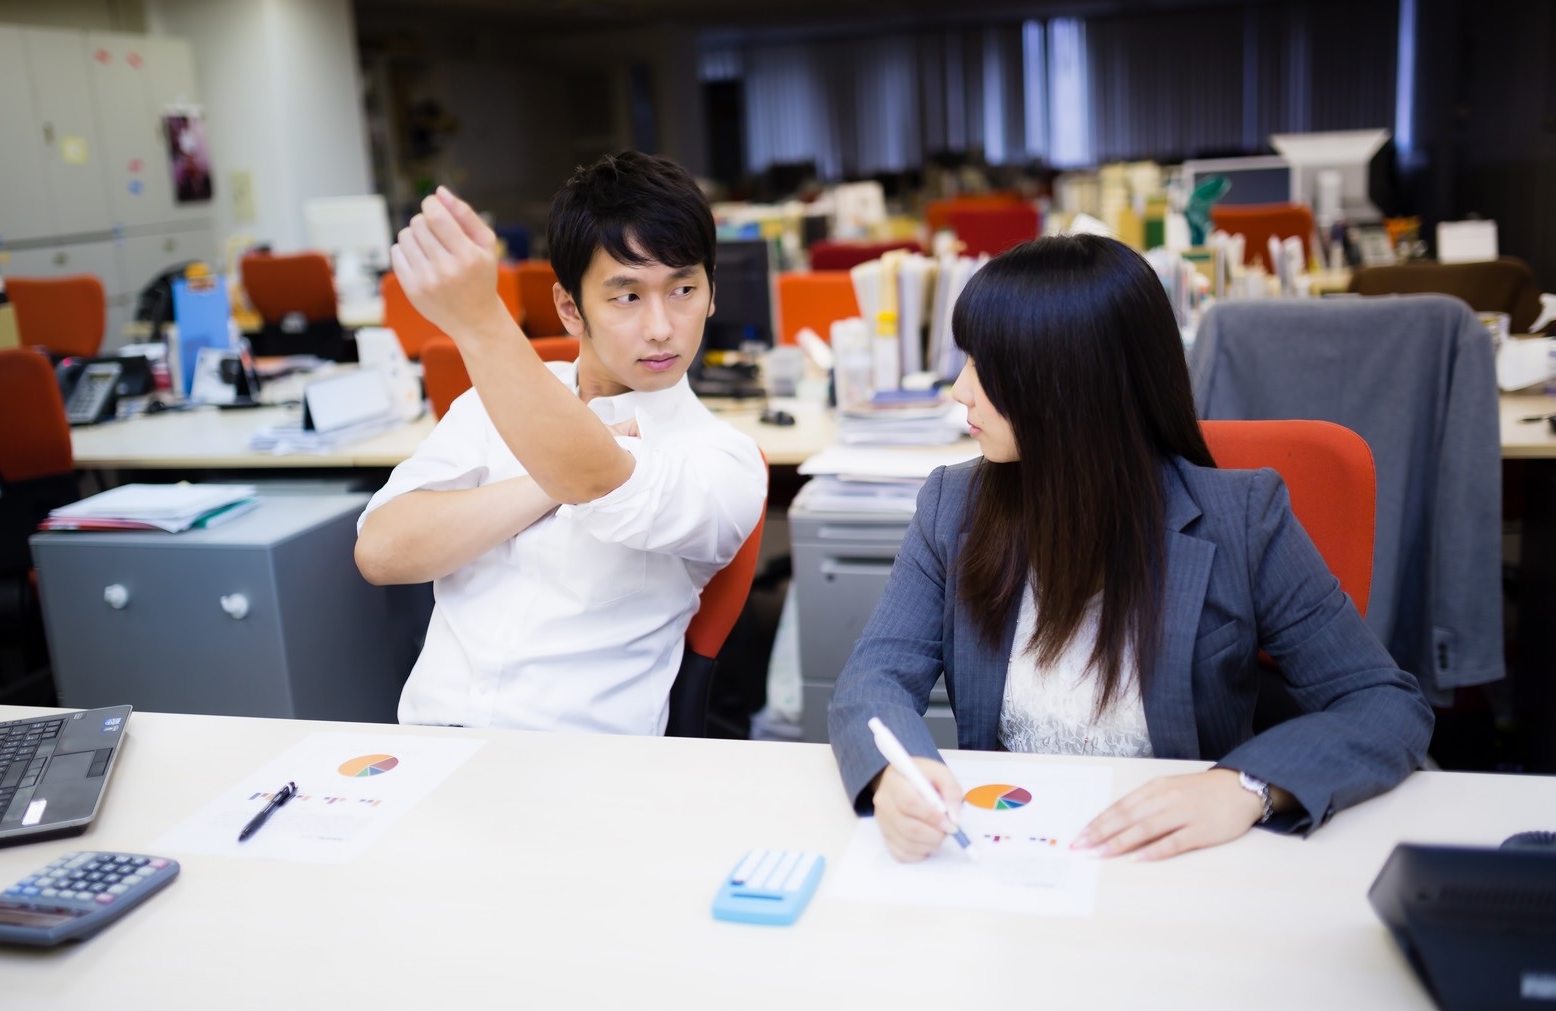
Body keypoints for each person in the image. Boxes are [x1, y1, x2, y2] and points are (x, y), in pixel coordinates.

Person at [828, 234, 1433, 862]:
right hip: (1010, 845)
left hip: (1177, 858)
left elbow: (1383, 703)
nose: (959, 390)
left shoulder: (1244, 518)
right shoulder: (954, 505)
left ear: (1071, 386)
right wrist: (896, 773)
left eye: (987, 366)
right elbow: (872, 680)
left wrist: (1244, 786)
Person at [354, 152, 766, 735]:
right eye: (627, 296)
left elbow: (602, 483)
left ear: (711, 292)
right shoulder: (495, 400)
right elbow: (382, 552)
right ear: (570, 308)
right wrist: (539, 489)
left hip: (582, 769)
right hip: (429, 744)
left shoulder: (723, 459)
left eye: (683, 289)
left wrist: (479, 320)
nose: (660, 326)